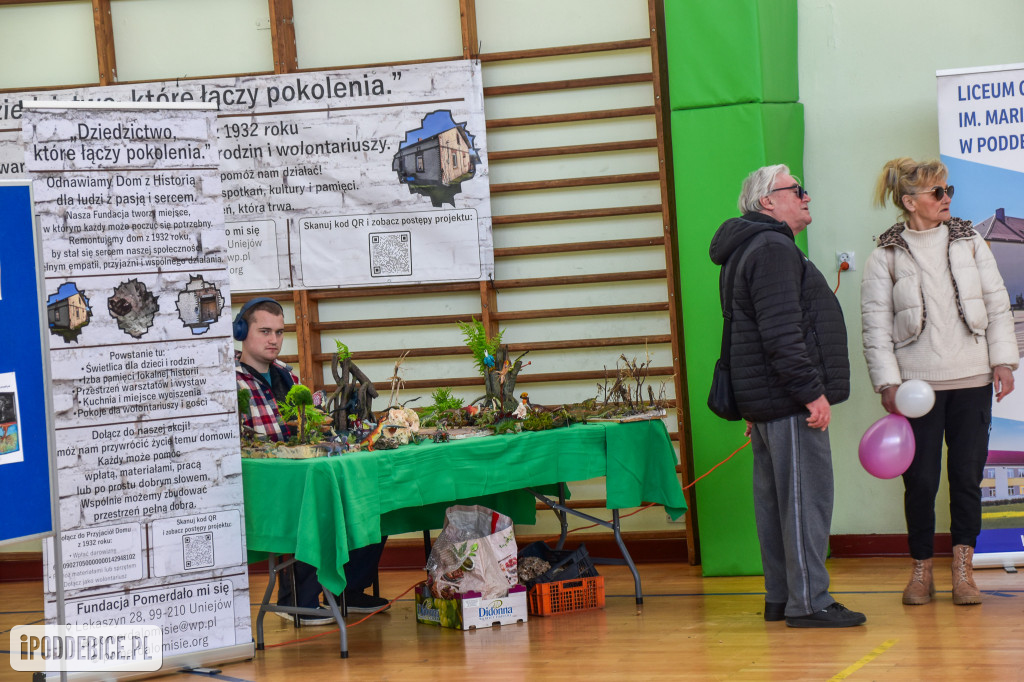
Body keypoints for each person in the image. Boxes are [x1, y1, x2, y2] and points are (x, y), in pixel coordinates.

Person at [710, 164, 866, 628]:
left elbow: (750, 333)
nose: (806, 197)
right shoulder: (773, 249)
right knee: (805, 502)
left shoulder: (749, 249)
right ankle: (811, 602)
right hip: (787, 400)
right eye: (796, 190)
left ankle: (782, 597)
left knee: (778, 505)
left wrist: (755, 404)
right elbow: (781, 333)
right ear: (768, 202)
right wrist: (810, 393)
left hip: (767, 402)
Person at [861, 158, 1019, 606]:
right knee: (922, 481)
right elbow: (875, 325)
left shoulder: (972, 242)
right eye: (937, 193)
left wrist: (1003, 361)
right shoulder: (883, 256)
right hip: (917, 389)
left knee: (966, 478)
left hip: (971, 379)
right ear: (910, 202)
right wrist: (887, 384)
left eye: (948, 190)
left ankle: (963, 570)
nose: (947, 198)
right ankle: (920, 570)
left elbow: (997, 302)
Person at [234, 297, 390, 624]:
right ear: (241, 331)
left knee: (369, 500)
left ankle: (349, 589)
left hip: (299, 471)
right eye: (264, 331)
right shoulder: (230, 381)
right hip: (266, 482)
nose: (273, 339)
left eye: (279, 332)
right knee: (318, 509)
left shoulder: (287, 377)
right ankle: (297, 602)